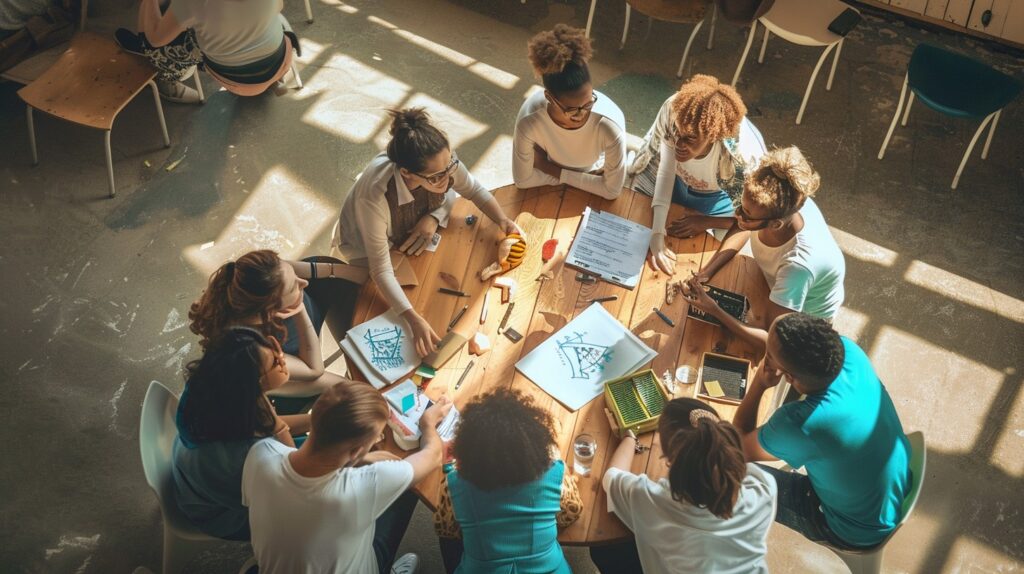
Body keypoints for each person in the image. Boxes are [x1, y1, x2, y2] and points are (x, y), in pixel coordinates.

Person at [333, 108, 523, 358]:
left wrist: (503, 220)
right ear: (407, 174)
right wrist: (412, 318)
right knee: (412, 297)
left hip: (409, 227)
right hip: (364, 246)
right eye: (436, 177)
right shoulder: (375, 195)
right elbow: (380, 270)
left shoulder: (441, 163)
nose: (446, 179)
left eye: (449, 167)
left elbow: (474, 190)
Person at [734, 313, 912, 549]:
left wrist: (760, 383)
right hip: (891, 488)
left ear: (788, 376)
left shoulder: (803, 423)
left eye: (769, 355)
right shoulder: (849, 351)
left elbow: (737, 446)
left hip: (852, 528)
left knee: (723, 467)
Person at [242, 380, 451, 574]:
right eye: (377, 437)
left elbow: (299, 474)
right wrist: (427, 424)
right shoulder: (359, 489)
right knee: (411, 488)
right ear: (355, 451)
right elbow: (432, 457)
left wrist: (363, 459)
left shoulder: (261, 454)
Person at [682, 146, 845, 355]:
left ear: (775, 224)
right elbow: (741, 225)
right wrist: (707, 272)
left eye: (746, 214)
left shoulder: (797, 266)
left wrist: (715, 310)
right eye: (740, 206)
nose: (737, 215)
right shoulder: (786, 201)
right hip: (774, 284)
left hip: (804, 317)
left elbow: (771, 342)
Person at [590, 398, 776, 573]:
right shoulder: (764, 487)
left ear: (671, 460)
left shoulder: (655, 502)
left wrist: (629, 437)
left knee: (602, 551)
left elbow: (611, 476)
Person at [171, 327, 306, 540]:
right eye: (274, 362)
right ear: (252, 384)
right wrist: (280, 428)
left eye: (276, 349)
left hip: (196, 480)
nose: (282, 359)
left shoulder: (216, 392)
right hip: (222, 515)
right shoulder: (243, 455)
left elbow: (263, 425)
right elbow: (294, 485)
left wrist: (315, 420)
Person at [435, 388, 581, 573]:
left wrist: (448, 468)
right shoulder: (555, 473)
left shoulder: (454, 484)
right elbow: (572, 511)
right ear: (535, 446)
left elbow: (446, 529)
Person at [631, 74, 766, 275]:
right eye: (676, 132)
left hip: (717, 199)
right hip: (676, 182)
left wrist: (707, 222)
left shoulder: (740, 161)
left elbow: (749, 224)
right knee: (635, 219)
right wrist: (657, 234)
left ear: (714, 135)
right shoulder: (674, 111)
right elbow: (666, 171)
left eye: (690, 138)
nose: (678, 144)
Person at [189, 249, 358, 398]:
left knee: (332, 277)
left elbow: (284, 268)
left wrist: (335, 270)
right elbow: (314, 371)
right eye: (294, 287)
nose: (303, 283)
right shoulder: (251, 349)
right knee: (349, 387)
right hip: (276, 378)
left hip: (290, 332)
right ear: (273, 310)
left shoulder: (251, 279)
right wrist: (299, 308)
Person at [513, 24, 627, 200]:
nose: (582, 114)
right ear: (549, 97)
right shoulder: (530, 121)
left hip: (580, 169)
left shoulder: (609, 126)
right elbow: (523, 181)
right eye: (571, 109)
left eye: (589, 103)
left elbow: (612, 192)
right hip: (590, 176)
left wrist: (546, 167)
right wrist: (588, 182)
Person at [116, 0, 299, 102]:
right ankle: (271, 80)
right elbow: (279, 7)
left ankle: (169, 79)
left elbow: (156, 39)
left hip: (233, 78)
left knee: (153, 43)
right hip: (281, 59)